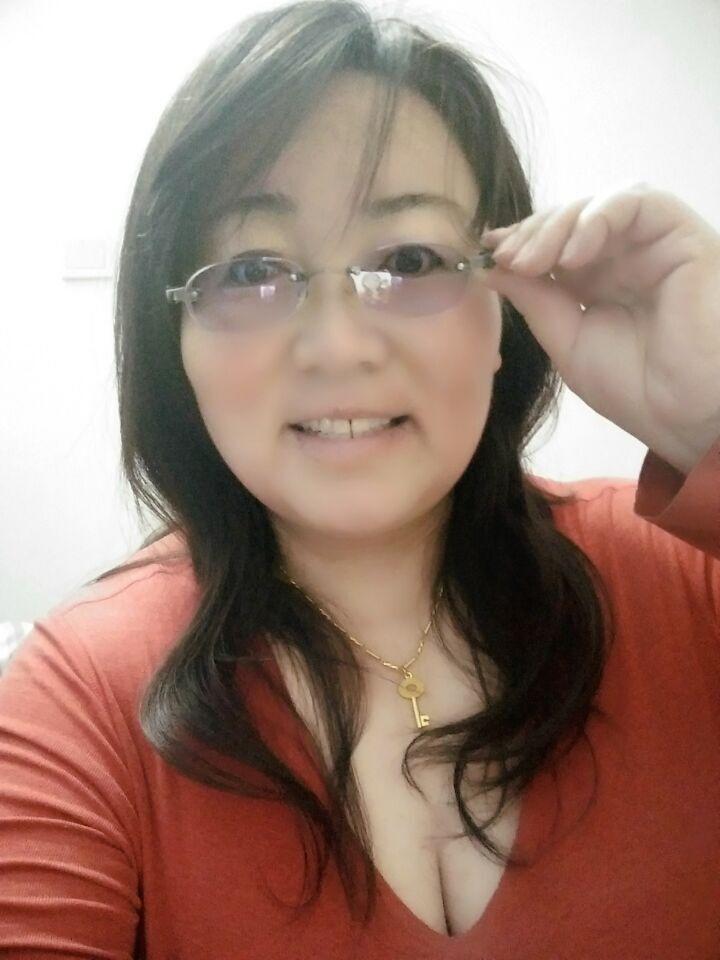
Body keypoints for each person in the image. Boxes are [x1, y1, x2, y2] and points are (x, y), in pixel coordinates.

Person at [1, 1, 718, 957]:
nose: (338, 347)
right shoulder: (78, 698)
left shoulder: (683, 571)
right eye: (252, 270)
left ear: (505, 310)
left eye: (411, 260)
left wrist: (712, 423)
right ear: (177, 344)